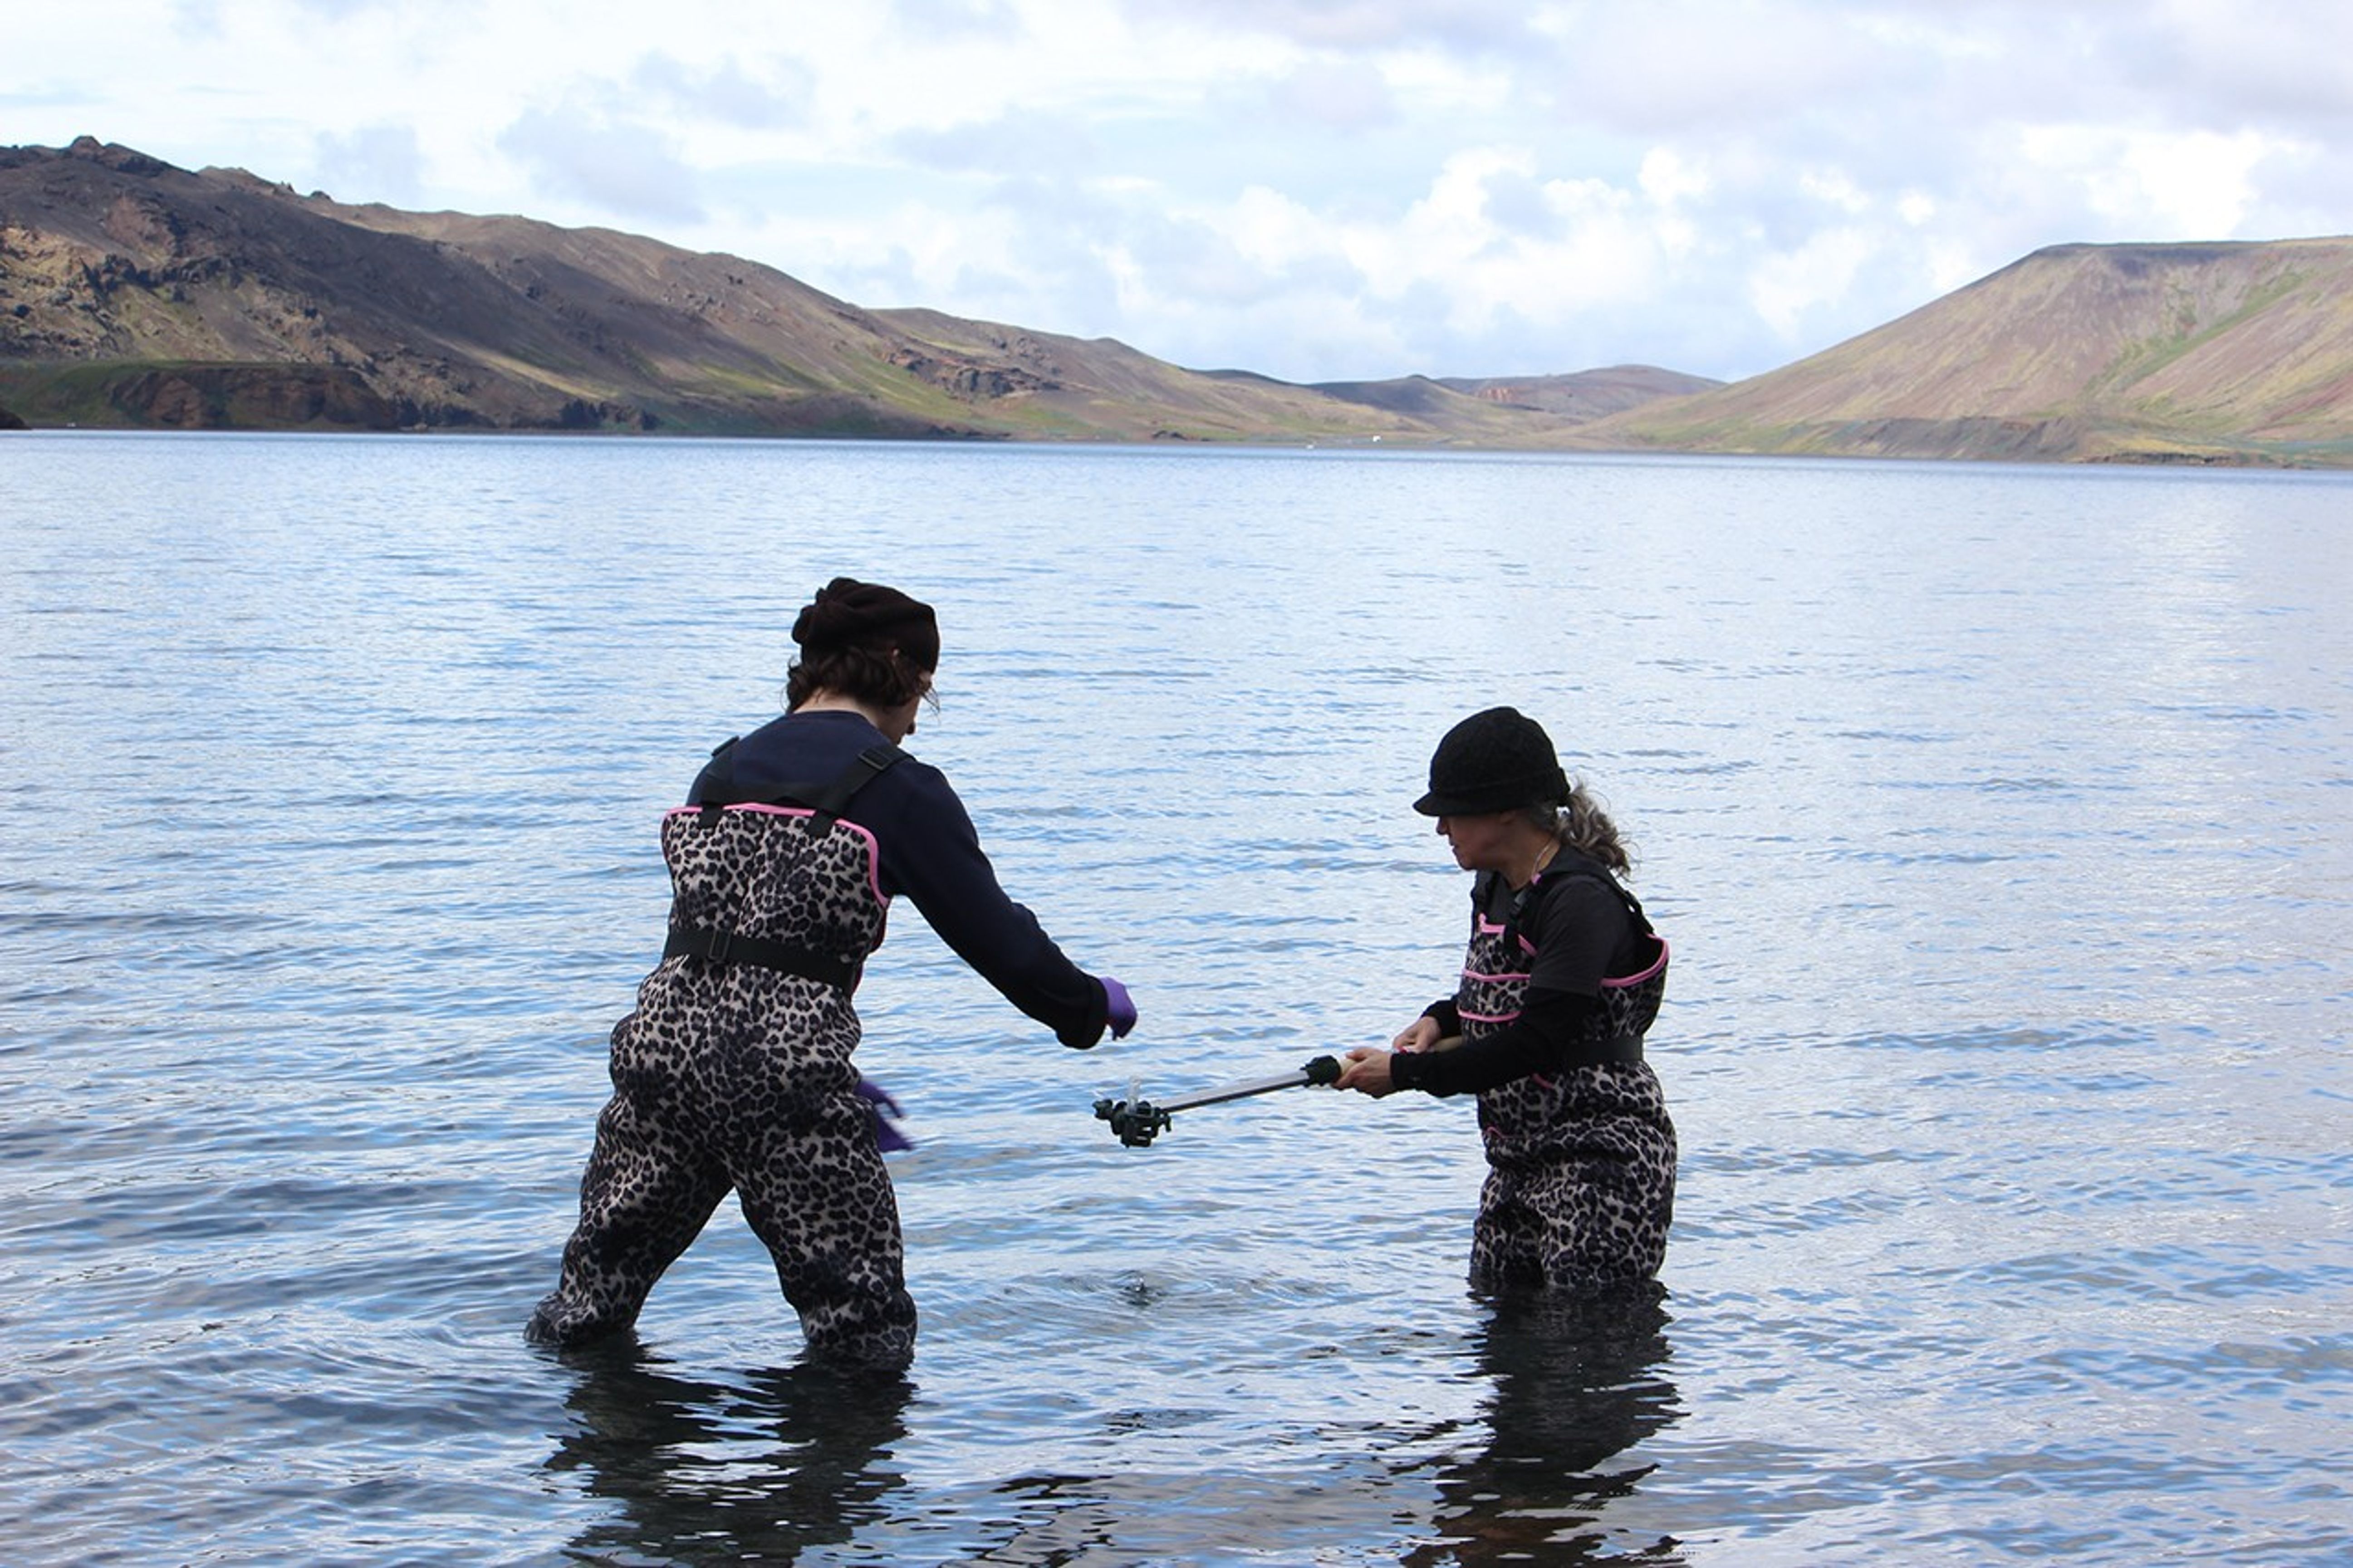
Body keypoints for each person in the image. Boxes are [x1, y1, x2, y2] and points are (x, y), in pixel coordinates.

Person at [527, 577, 1136, 1366]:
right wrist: (1085, 1008)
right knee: (862, 1330)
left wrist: (826, 1077)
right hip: (785, 1078)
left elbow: (734, 950)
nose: (921, 713)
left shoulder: (721, 771)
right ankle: (834, 1486)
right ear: (899, 669)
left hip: (656, 1058)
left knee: (589, 1304)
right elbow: (999, 943)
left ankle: (581, 1463)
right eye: (926, 685)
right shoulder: (898, 788)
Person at [1334, 706, 1674, 1293]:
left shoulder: (1579, 901)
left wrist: (1407, 1074)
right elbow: (1501, 991)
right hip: (1516, 1161)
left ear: (1505, 810)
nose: (1441, 829)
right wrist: (1437, 1020)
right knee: (1501, 1343)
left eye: (1451, 813)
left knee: (1587, 1350)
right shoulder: (1494, 885)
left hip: (1600, 1162)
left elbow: (1537, 1041)